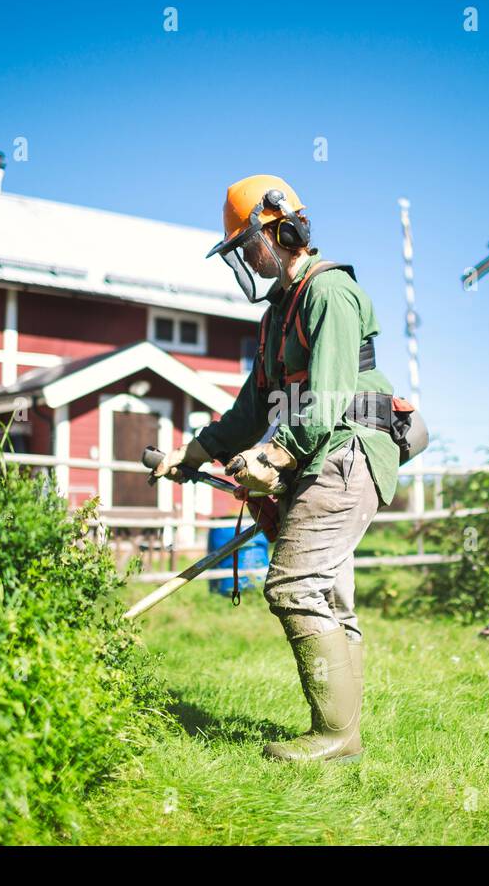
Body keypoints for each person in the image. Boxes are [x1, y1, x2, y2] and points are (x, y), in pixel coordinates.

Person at [150, 175, 401, 763]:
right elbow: (250, 410)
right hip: (320, 453)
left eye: (244, 246)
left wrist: (277, 455)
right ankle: (345, 733)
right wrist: (193, 453)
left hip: (348, 450)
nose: (244, 258)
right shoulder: (277, 316)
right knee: (330, 596)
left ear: (278, 231)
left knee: (294, 583)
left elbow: (332, 392)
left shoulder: (328, 292)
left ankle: (336, 736)